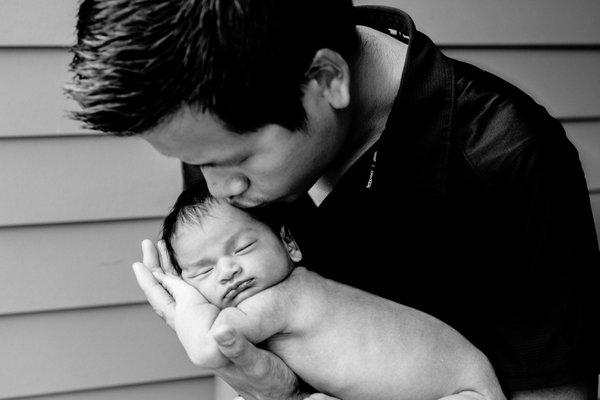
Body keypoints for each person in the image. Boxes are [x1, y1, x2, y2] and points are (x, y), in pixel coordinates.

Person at [67, 0, 600, 399]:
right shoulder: (217, 117)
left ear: (326, 80)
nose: (217, 190)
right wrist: (270, 384)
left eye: (235, 159)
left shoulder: (504, 158)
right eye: (197, 161)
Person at [138, 183, 505, 400]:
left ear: (289, 243)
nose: (228, 270)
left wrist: (183, 293)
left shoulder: (283, 298)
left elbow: (207, 347)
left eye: (242, 248)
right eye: (203, 270)